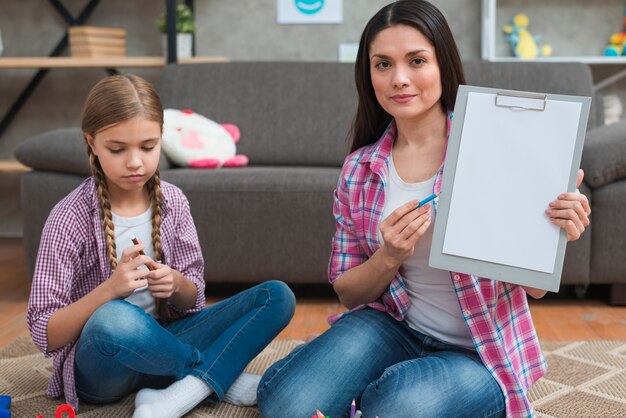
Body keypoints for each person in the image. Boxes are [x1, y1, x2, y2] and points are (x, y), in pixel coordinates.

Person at [256, 1, 590, 417]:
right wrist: (389, 255)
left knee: (394, 408)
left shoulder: (496, 149)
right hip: (394, 327)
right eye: (383, 64)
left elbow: (536, 289)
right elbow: (348, 292)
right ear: (369, 74)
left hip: (477, 352)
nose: (399, 79)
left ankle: (361, 391)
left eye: (416, 61)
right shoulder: (359, 169)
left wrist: (552, 232)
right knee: (287, 405)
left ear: (442, 65)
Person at [27, 74, 296, 418]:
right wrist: (109, 290)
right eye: (117, 149)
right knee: (114, 319)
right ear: (92, 143)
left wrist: (175, 284)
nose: (135, 161)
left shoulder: (173, 201)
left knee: (277, 296)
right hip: (103, 370)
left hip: (165, 343)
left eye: (148, 146)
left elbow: (193, 299)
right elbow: (43, 332)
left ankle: (182, 384)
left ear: (161, 139)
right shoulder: (69, 217)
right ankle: (211, 376)